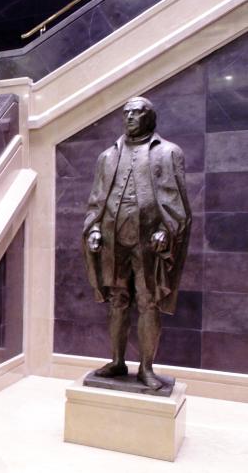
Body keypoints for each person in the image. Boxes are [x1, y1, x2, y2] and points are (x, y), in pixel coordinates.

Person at [83, 97, 191, 390]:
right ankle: (117, 361)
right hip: (113, 239)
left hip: (149, 242)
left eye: (136, 112)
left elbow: (178, 201)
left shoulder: (168, 153)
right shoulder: (107, 156)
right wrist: (93, 228)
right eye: (126, 113)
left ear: (149, 117)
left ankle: (146, 367)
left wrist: (167, 231)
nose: (129, 117)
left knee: (148, 302)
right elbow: (96, 200)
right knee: (117, 301)